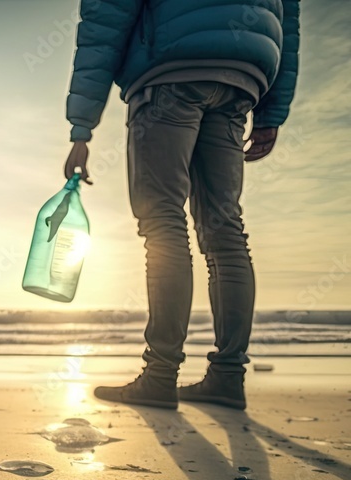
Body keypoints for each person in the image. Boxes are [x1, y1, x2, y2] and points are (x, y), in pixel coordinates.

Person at [64, 0, 301, 410]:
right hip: (242, 77)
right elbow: (289, 21)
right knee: (226, 229)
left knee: (162, 222)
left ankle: (160, 375)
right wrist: (271, 113)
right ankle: (228, 377)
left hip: (170, 72)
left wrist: (81, 127)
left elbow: (104, 20)